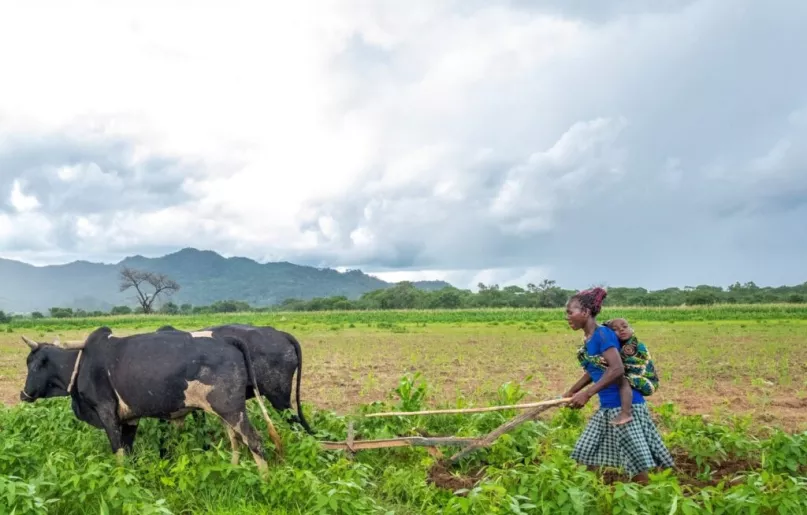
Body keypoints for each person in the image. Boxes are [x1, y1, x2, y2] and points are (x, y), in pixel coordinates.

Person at [563, 287, 673, 483]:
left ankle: (651, 497)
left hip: (623, 406)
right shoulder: (590, 339)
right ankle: (587, 491)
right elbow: (594, 370)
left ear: (586, 312)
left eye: (570, 312)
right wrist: (572, 391)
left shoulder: (603, 334)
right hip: (607, 407)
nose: (567, 317)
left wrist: (586, 395)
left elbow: (616, 369)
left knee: (636, 462)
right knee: (585, 451)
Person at [601, 318, 660, 426]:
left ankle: (625, 413)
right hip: (638, 378)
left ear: (632, 329)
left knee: (623, 380)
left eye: (624, 327)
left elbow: (621, 365)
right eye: (616, 329)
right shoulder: (619, 346)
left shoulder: (631, 346)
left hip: (647, 381)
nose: (622, 330)